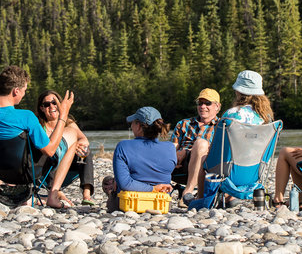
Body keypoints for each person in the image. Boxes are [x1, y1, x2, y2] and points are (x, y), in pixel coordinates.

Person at [0, 65, 77, 208]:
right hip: (28, 173)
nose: (24, 94)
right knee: (72, 135)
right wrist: (63, 115)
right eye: (24, 90)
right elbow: (50, 151)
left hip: (2, 174)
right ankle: (53, 195)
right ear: (16, 91)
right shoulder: (26, 116)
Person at [186, 70, 274, 205]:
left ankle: (201, 200)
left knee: (205, 159)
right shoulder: (266, 118)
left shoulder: (231, 115)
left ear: (239, 92)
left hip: (230, 171)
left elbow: (219, 147)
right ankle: (229, 198)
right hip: (255, 171)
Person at [102, 106, 176, 212]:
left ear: (139, 126)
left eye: (133, 122)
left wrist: (153, 189)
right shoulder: (170, 147)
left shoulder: (123, 146)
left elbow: (126, 184)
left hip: (128, 204)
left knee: (117, 184)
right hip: (161, 205)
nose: (131, 126)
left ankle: (111, 191)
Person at [35, 90, 94, 205]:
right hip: (46, 172)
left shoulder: (69, 122)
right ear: (42, 108)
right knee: (52, 154)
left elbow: (84, 140)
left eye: (54, 102)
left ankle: (86, 194)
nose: (51, 106)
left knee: (86, 152)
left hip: (67, 170)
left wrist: (75, 145)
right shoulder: (39, 125)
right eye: (47, 104)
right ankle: (56, 191)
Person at [171, 88, 221, 203]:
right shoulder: (183, 124)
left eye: (207, 103)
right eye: (200, 103)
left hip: (208, 166)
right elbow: (173, 147)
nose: (203, 106)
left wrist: (187, 151)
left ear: (217, 106)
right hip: (181, 165)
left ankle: (187, 193)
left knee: (201, 143)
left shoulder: (221, 126)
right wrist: (174, 157)